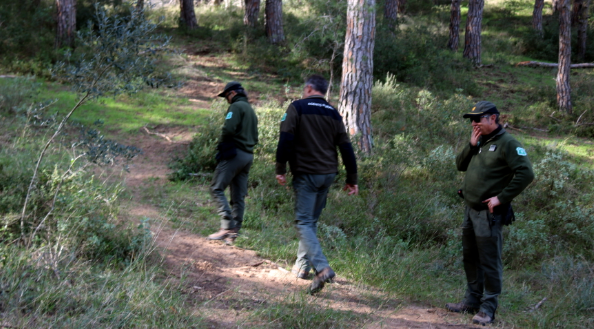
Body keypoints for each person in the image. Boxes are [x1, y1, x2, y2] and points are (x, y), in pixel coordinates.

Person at [447, 101, 534, 325]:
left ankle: (488, 309)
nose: (474, 123)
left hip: (488, 213)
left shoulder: (508, 143)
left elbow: (526, 174)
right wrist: (471, 144)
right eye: (471, 120)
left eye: (478, 119)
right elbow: (460, 165)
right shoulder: (480, 141)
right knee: (470, 257)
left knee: (489, 260)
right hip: (470, 209)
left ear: (493, 118)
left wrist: (501, 198)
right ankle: (471, 301)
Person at [275, 74, 358, 294]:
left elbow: (285, 138)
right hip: (328, 174)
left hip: (306, 173)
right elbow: (346, 148)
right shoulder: (333, 113)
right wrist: (352, 179)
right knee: (311, 220)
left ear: (310, 88)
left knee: (303, 222)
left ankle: (322, 268)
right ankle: (302, 268)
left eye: (305, 89)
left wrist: (280, 168)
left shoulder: (297, 107)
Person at [208, 81, 258, 244]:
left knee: (216, 188)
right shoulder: (250, 110)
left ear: (233, 94)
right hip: (248, 156)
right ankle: (234, 231)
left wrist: (222, 143)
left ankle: (226, 226)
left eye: (226, 96)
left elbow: (228, 129)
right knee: (238, 196)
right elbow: (255, 136)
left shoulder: (236, 107)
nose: (226, 100)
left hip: (234, 154)